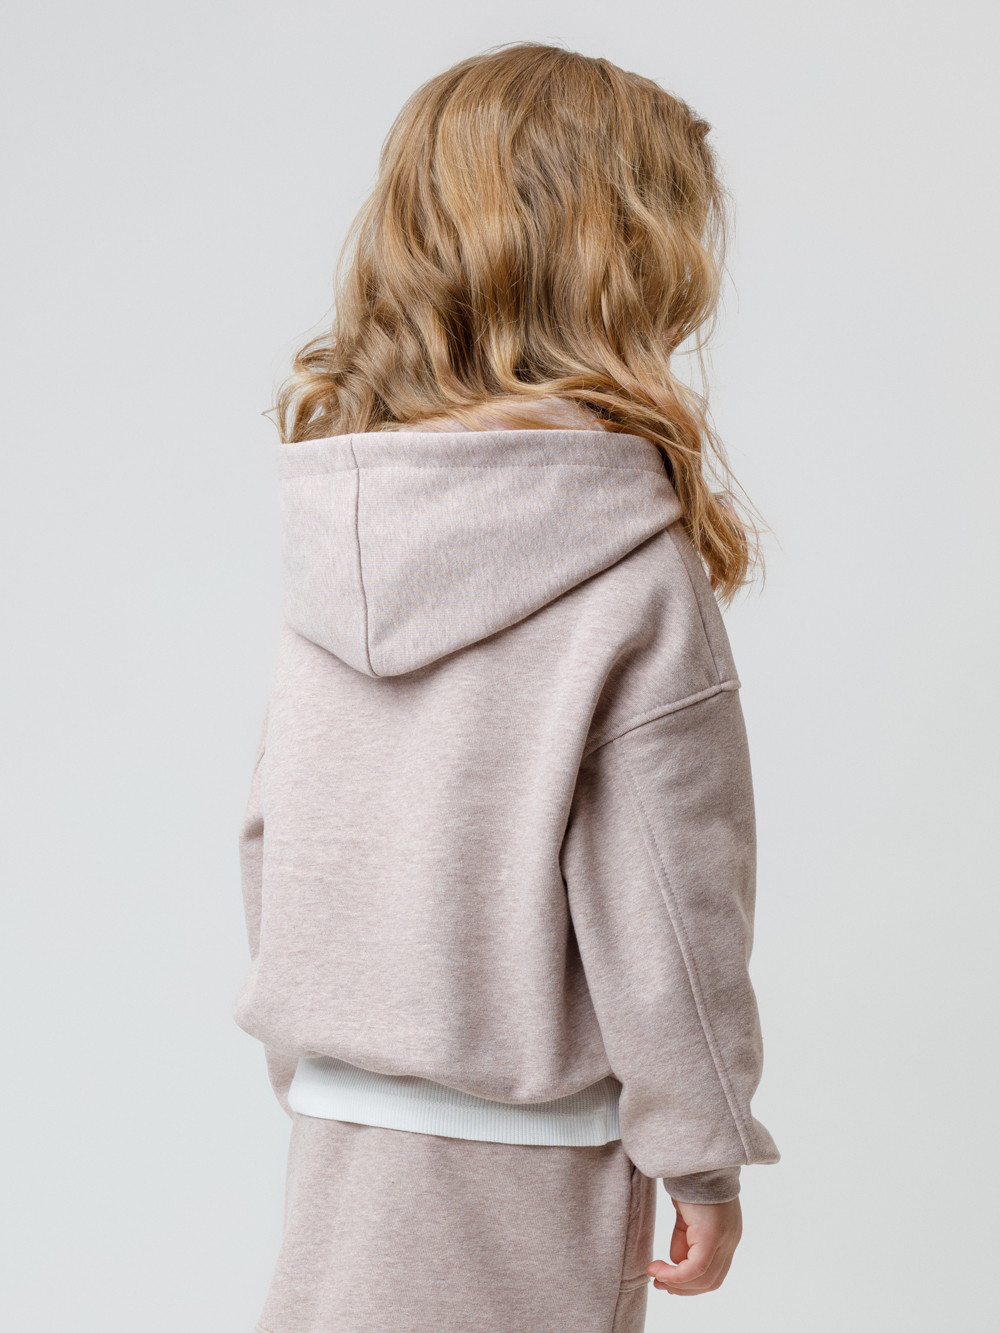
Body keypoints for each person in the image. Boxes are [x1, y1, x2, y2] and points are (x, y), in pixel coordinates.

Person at [232, 40, 780, 1333]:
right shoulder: (626, 559)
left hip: (345, 1125)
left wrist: (331, 1053)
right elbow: (666, 892)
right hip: (539, 1149)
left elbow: (274, 834)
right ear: (637, 261)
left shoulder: (346, 518)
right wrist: (701, 1146)